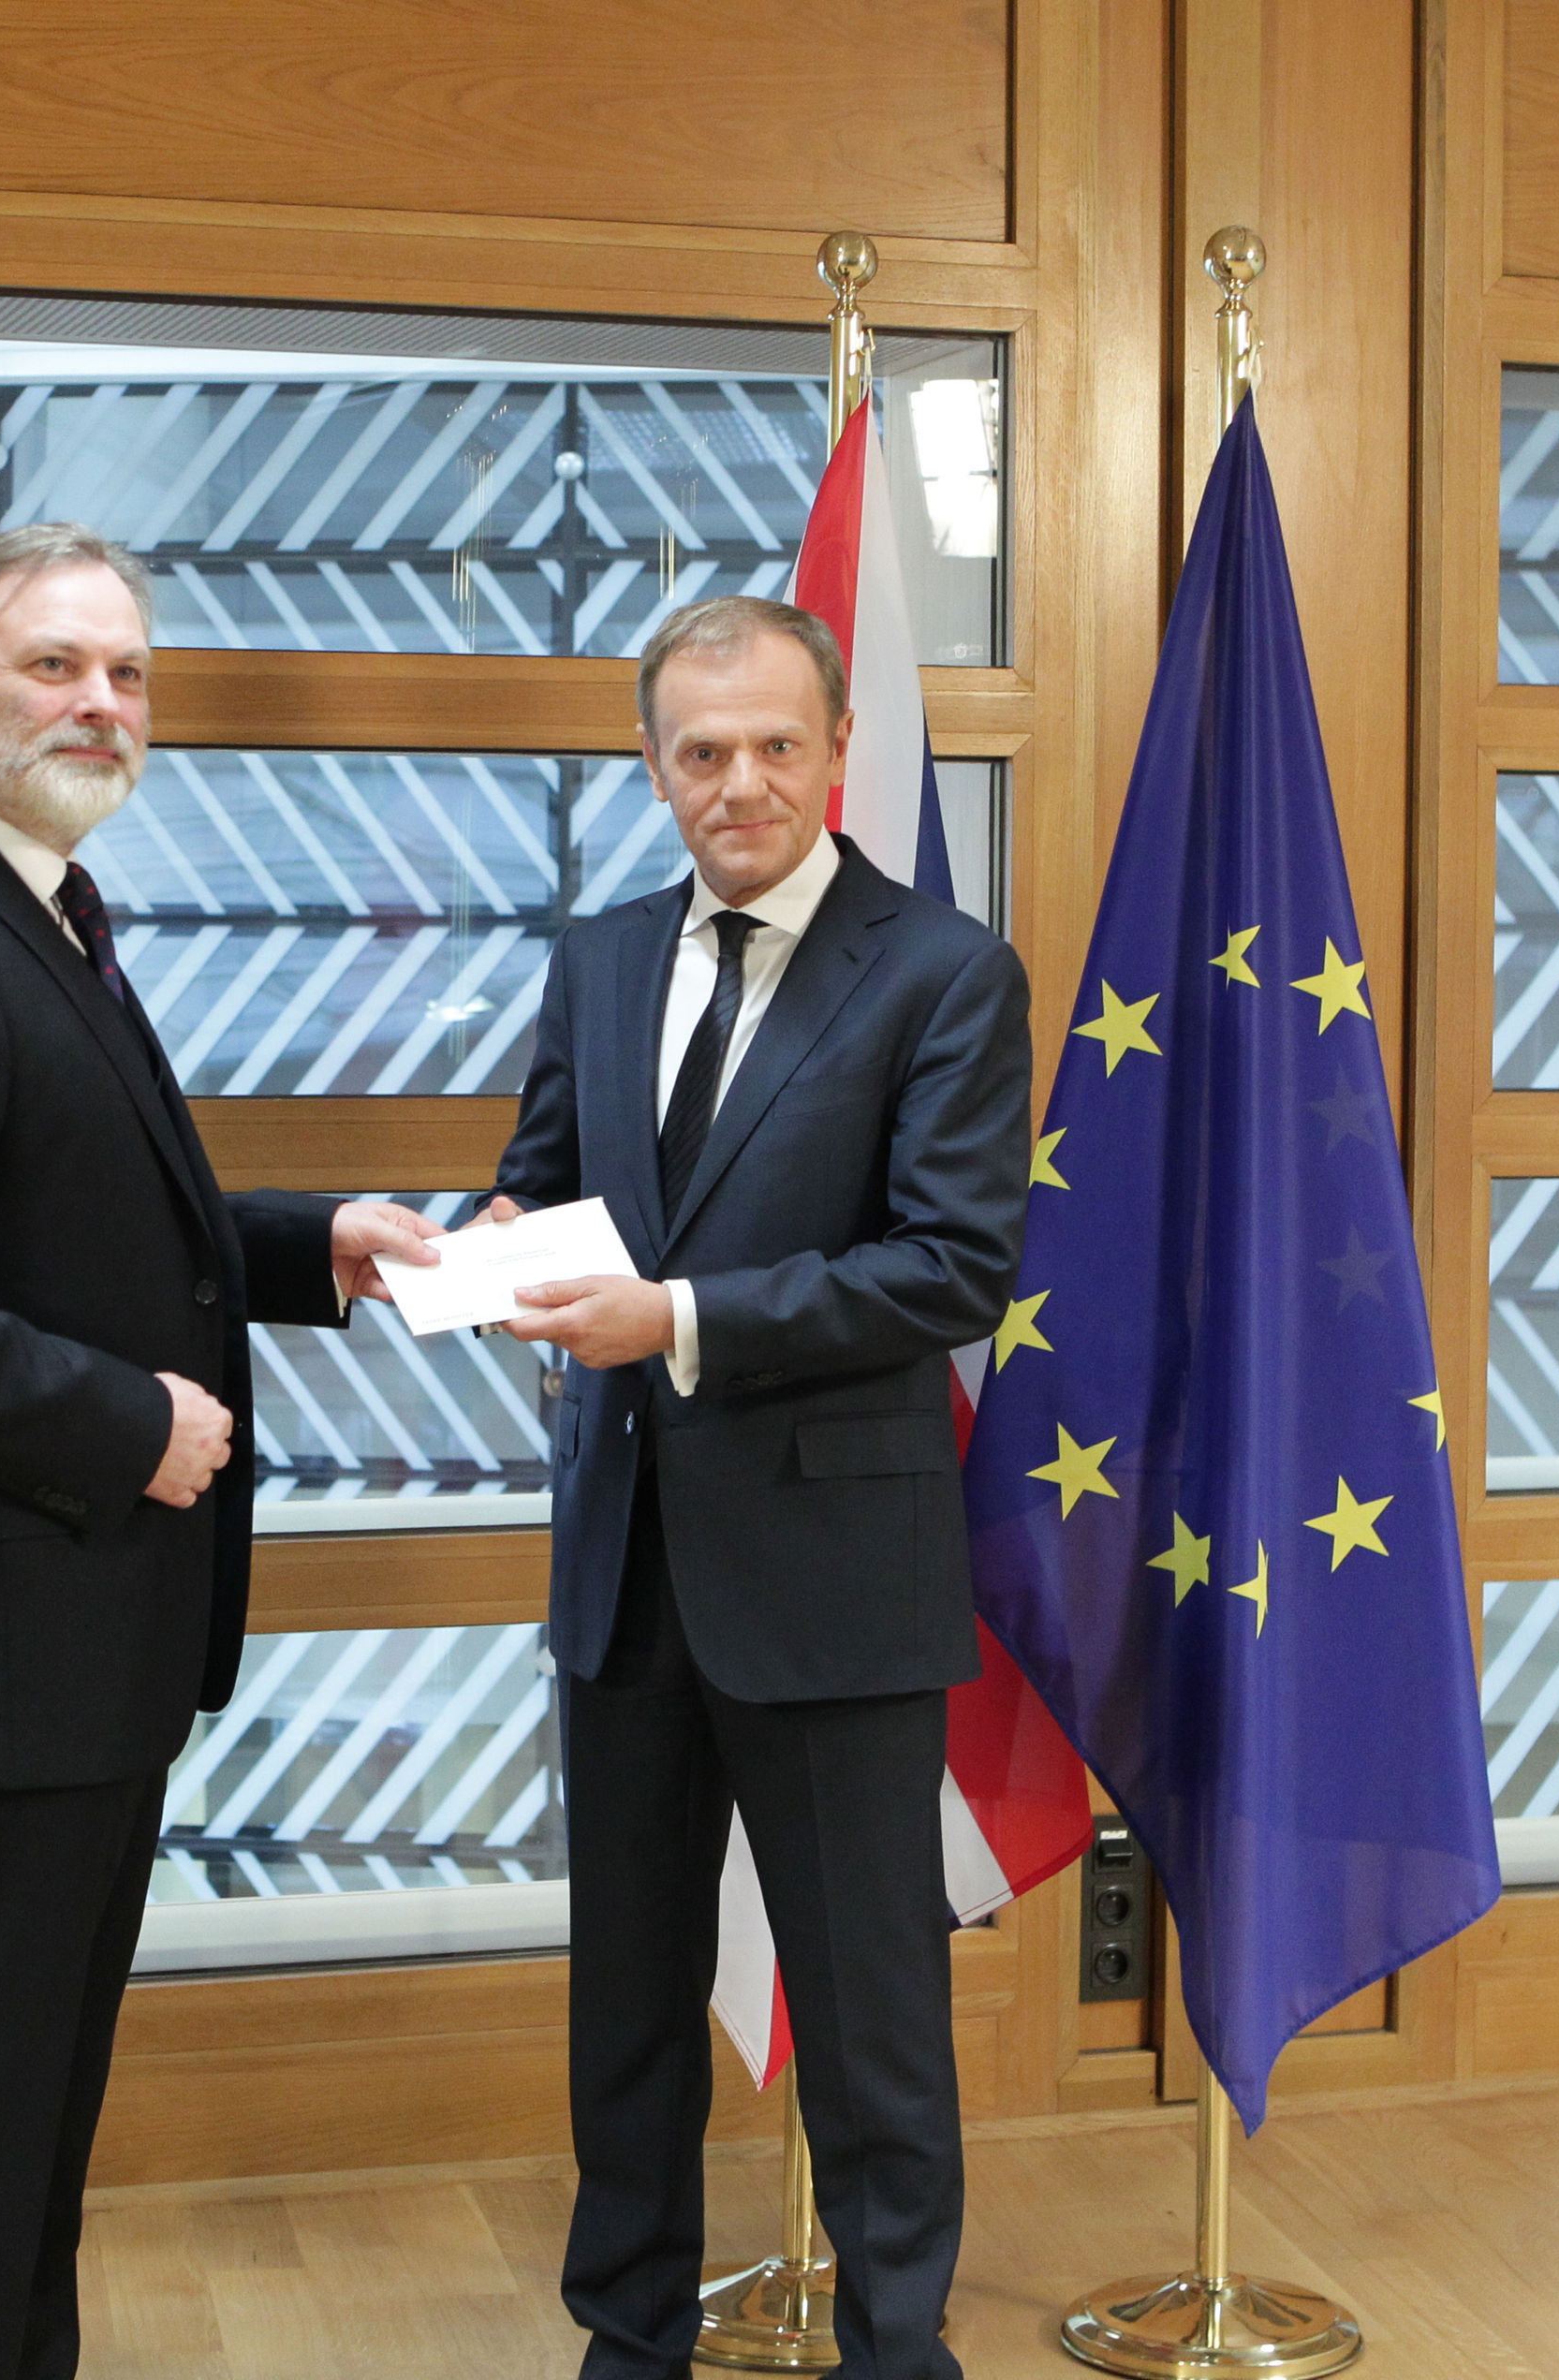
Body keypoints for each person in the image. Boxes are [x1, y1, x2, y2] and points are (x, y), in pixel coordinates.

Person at [0, 522, 437, 2380]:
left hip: (66, 1659)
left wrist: (311, 1247)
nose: (100, 702)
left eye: (128, 673)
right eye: (54, 665)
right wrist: (125, 1418)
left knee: (16, 2154)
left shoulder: (32, 899)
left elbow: (73, 1221)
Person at [492, 595, 1032, 2380]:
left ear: (836, 753)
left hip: (834, 1582)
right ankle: (626, 2345)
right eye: (703, 751)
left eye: (776, 746)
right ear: (655, 767)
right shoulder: (599, 956)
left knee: (875, 2025)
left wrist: (680, 1316)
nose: (742, 783)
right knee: (623, 2019)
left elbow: (952, 1266)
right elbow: (547, 1180)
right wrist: (496, 1248)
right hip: (625, 1572)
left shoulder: (944, 971)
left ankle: (899, 2354)